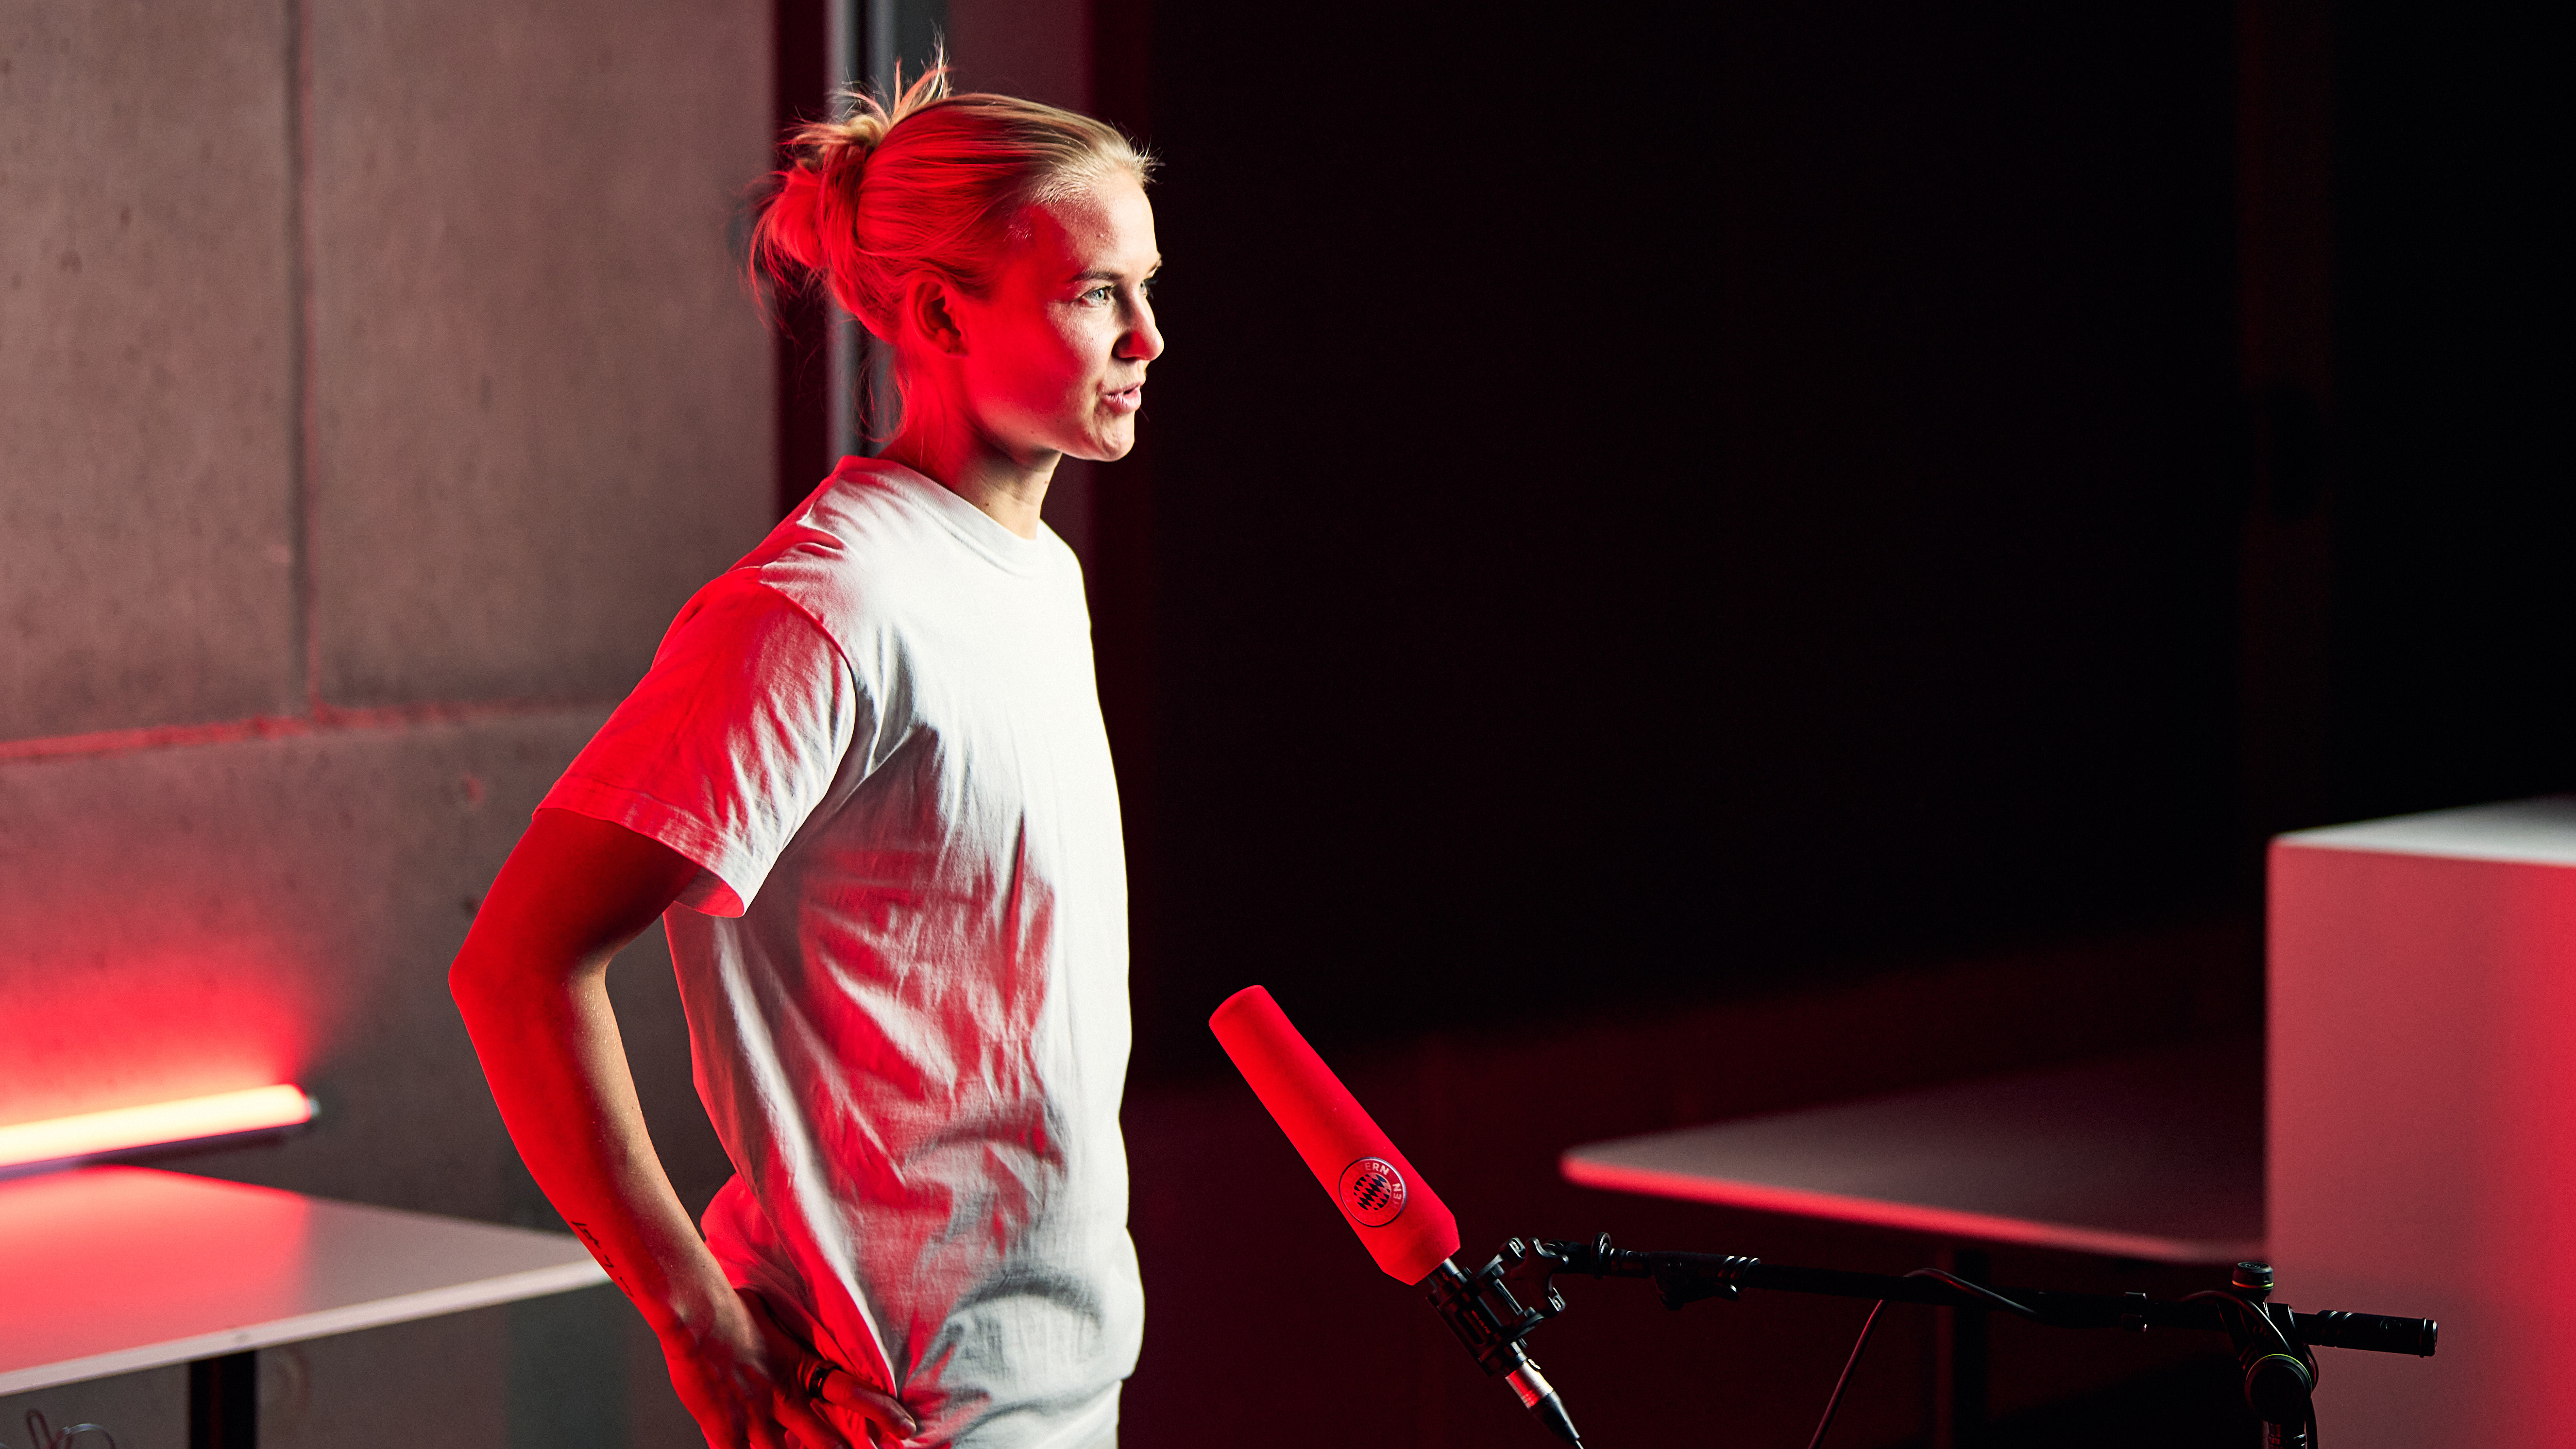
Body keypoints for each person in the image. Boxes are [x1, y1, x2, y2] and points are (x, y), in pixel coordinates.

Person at [449, 67, 1162, 1449]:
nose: (1149, 336)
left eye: (1146, 284)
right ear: (944, 313)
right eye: (1095, 296)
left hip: (1063, 1386)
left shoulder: (1038, 572)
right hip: (903, 1414)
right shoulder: (828, 611)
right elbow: (516, 964)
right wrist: (697, 1321)